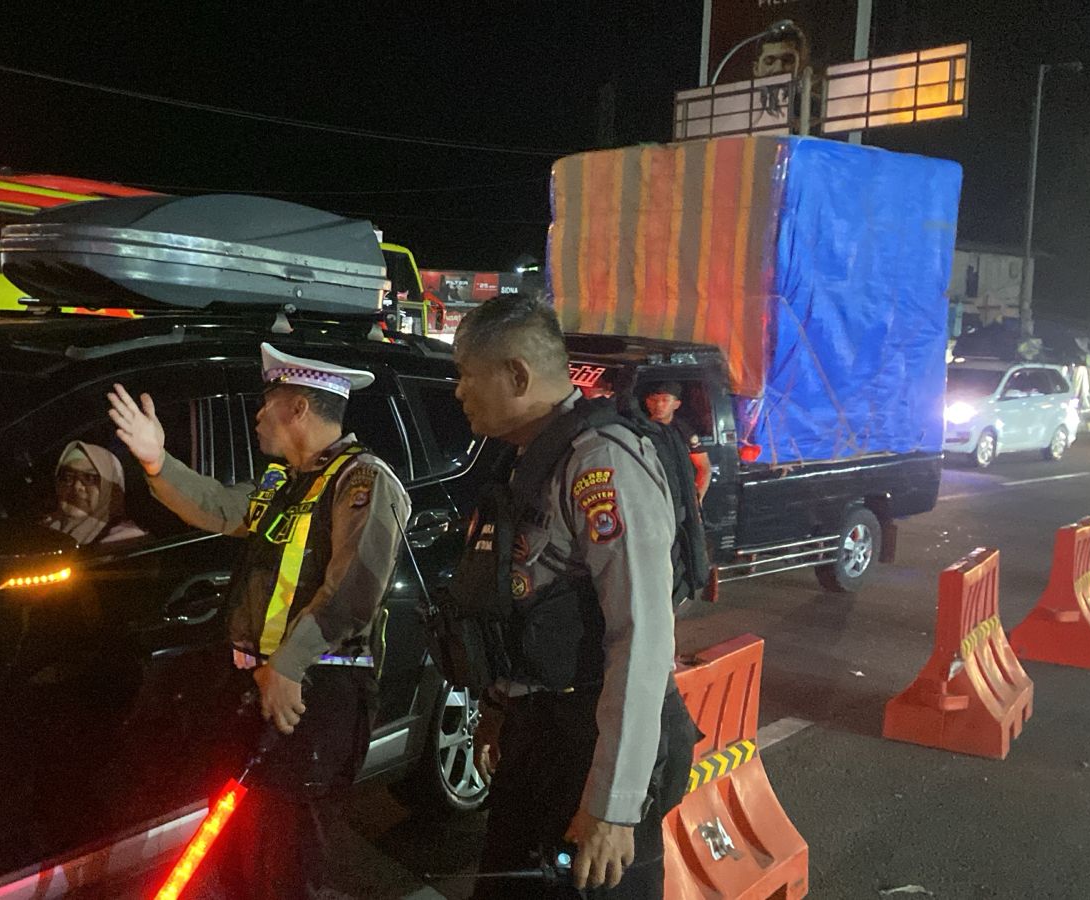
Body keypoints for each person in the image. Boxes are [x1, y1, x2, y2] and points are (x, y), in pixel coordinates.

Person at [107, 342, 411, 900]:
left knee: (288, 862)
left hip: (312, 696)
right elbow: (222, 508)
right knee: (243, 853)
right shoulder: (287, 481)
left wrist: (288, 667)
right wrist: (157, 462)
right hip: (261, 688)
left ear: (298, 407)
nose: (257, 413)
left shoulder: (363, 482)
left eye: (267, 401)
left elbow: (353, 594)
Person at [451, 295, 696, 898]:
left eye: (467, 375)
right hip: (538, 736)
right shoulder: (529, 459)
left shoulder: (602, 464)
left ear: (517, 375)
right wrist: (499, 709)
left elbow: (642, 638)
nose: (458, 391)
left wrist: (614, 804)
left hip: (590, 745)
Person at [41, 440, 147, 544]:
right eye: (67, 477)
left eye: (89, 478)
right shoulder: (44, 532)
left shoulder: (127, 541)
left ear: (110, 488)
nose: (77, 486)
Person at [642, 382, 711, 505]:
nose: (658, 404)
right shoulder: (639, 430)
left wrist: (696, 501)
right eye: (654, 400)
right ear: (647, 402)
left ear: (676, 404)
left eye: (665, 400)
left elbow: (703, 468)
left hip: (680, 498)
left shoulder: (684, 431)